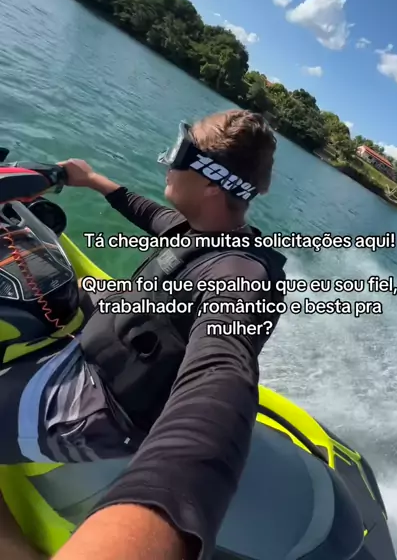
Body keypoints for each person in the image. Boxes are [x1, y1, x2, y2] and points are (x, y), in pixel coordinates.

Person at [0, 109, 287, 559]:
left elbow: (223, 373)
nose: (168, 163)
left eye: (180, 153)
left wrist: (165, 501)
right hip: (111, 341)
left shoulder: (237, 276)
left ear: (212, 183)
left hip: (104, 402)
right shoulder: (209, 230)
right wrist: (91, 180)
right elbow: (152, 214)